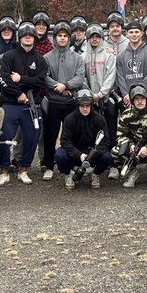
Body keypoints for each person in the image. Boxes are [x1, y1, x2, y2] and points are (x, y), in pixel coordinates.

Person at [0, 21, 48, 186]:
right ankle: (4, 171)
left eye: (30, 35)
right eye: (25, 35)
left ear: (34, 38)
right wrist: (18, 92)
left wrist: (21, 79)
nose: (28, 38)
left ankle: (23, 170)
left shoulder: (40, 60)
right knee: (4, 136)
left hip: (31, 105)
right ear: (20, 37)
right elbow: (3, 77)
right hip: (11, 103)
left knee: (33, 137)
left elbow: (40, 81)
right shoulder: (8, 57)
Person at [41, 21, 86, 180]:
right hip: (53, 102)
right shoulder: (46, 57)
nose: (62, 38)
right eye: (59, 35)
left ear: (69, 38)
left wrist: (66, 85)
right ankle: (48, 165)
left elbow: (80, 77)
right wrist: (58, 86)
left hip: (70, 102)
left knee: (72, 135)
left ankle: (73, 163)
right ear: (55, 38)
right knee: (50, 135)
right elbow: (44, 76)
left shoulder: (77, 57)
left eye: (65, 36)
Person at [55, 88, 112, 189]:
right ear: (77, 106)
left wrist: (93, 155)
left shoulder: (99, 119)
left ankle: (95, 174)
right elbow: (64, 141)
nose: (85, 109)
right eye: (82, 106)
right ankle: (69, 174)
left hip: (92, 151)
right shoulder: (69, 119)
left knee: (107, 157)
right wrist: (79, 155)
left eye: (87, 106)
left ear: (91, 105)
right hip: (75, 152)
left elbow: (105, 141)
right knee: (59, 155)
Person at [82, 23, 118, 150]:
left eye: (97, 36)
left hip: (107, 99)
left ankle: (111, 161)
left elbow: (110, 77)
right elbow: (82, 77)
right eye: (92, 37)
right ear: (88, 38)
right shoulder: (82, 56)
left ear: (102, 38)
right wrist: (91, 95)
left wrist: (100, 94)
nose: (95, 39)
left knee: (110, 131)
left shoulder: (109, 55)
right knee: (92, 132)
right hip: (89, 100)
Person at [115, 19, 147, 107]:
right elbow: (120, 78)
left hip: (146, 99)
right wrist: (126, 95)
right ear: (127, 34)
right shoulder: (120, 56)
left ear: (141, 33)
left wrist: (138, 94)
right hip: (128, 101)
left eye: (136, 32)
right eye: (131, 32)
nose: (134, 35)